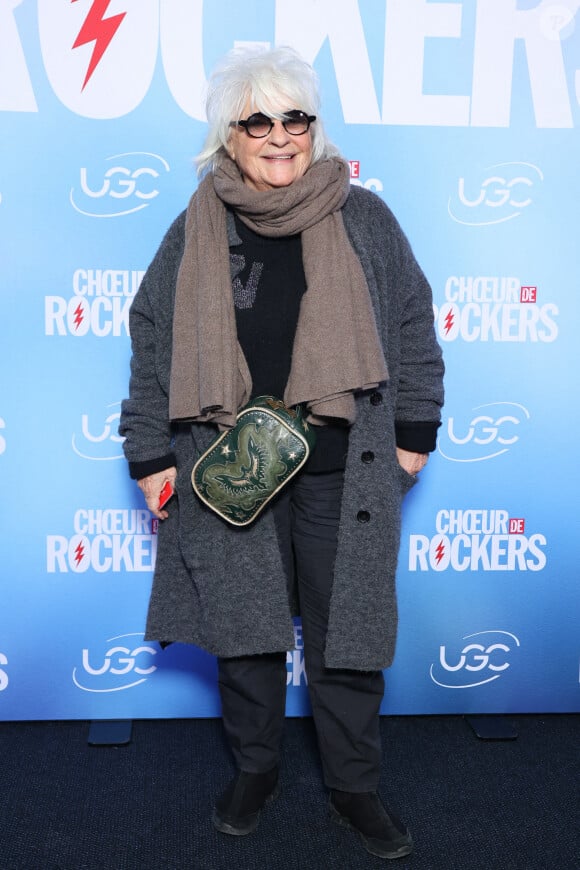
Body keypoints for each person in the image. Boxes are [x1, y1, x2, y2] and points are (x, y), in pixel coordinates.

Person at [119, 45, 444, 861]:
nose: (277, 135)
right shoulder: (197, 223)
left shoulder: (362, 216)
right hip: (232, 468)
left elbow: (412, 321)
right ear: (228, 136)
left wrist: (413, 436)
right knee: (247, 634)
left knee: (349, 637)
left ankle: (354, 787)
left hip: (346, 468)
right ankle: (256, 771)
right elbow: (153, 335)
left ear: (313, 127)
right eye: (256, 120)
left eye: (293, 117)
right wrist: (149, 450)